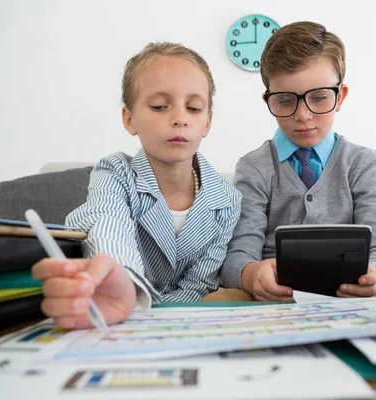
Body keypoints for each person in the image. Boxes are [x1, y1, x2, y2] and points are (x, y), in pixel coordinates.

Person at [32, 42, 242, 328]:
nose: (180, 119)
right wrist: (123, 284)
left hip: (171, 319)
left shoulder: (228, 199)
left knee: (230, 296)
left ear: (207, 122)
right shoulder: (114, 172)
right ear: (129, 119)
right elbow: (109, 227)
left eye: (193, 108)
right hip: (117, 301)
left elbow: (199, 284)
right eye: (159, 106)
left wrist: (148, 313)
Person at [221, 21, 376, 302]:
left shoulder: (364, 163)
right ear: (268, 100)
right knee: (220, 300)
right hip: (276, 297)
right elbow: (237, 255)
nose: (303, 115)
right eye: (284, 101)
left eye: (318, 98)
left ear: (339, 97)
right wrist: (253, 274)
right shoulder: (254, 167)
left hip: (348, 296)